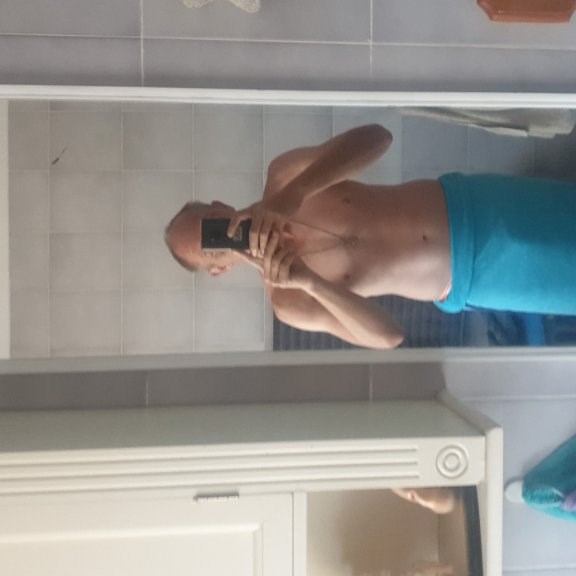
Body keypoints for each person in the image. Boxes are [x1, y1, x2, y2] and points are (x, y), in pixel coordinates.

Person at [165, 124, 576, 349]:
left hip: (473, 203)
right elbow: (388, 337)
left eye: (211, 227)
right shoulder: (288, 301)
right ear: (218, 269)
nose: (222, 239)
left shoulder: (283, 175)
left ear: (219, 207)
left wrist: (295, 193)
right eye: (212, 249)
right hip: (473, 278)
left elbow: (377, 138)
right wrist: (309, 281)